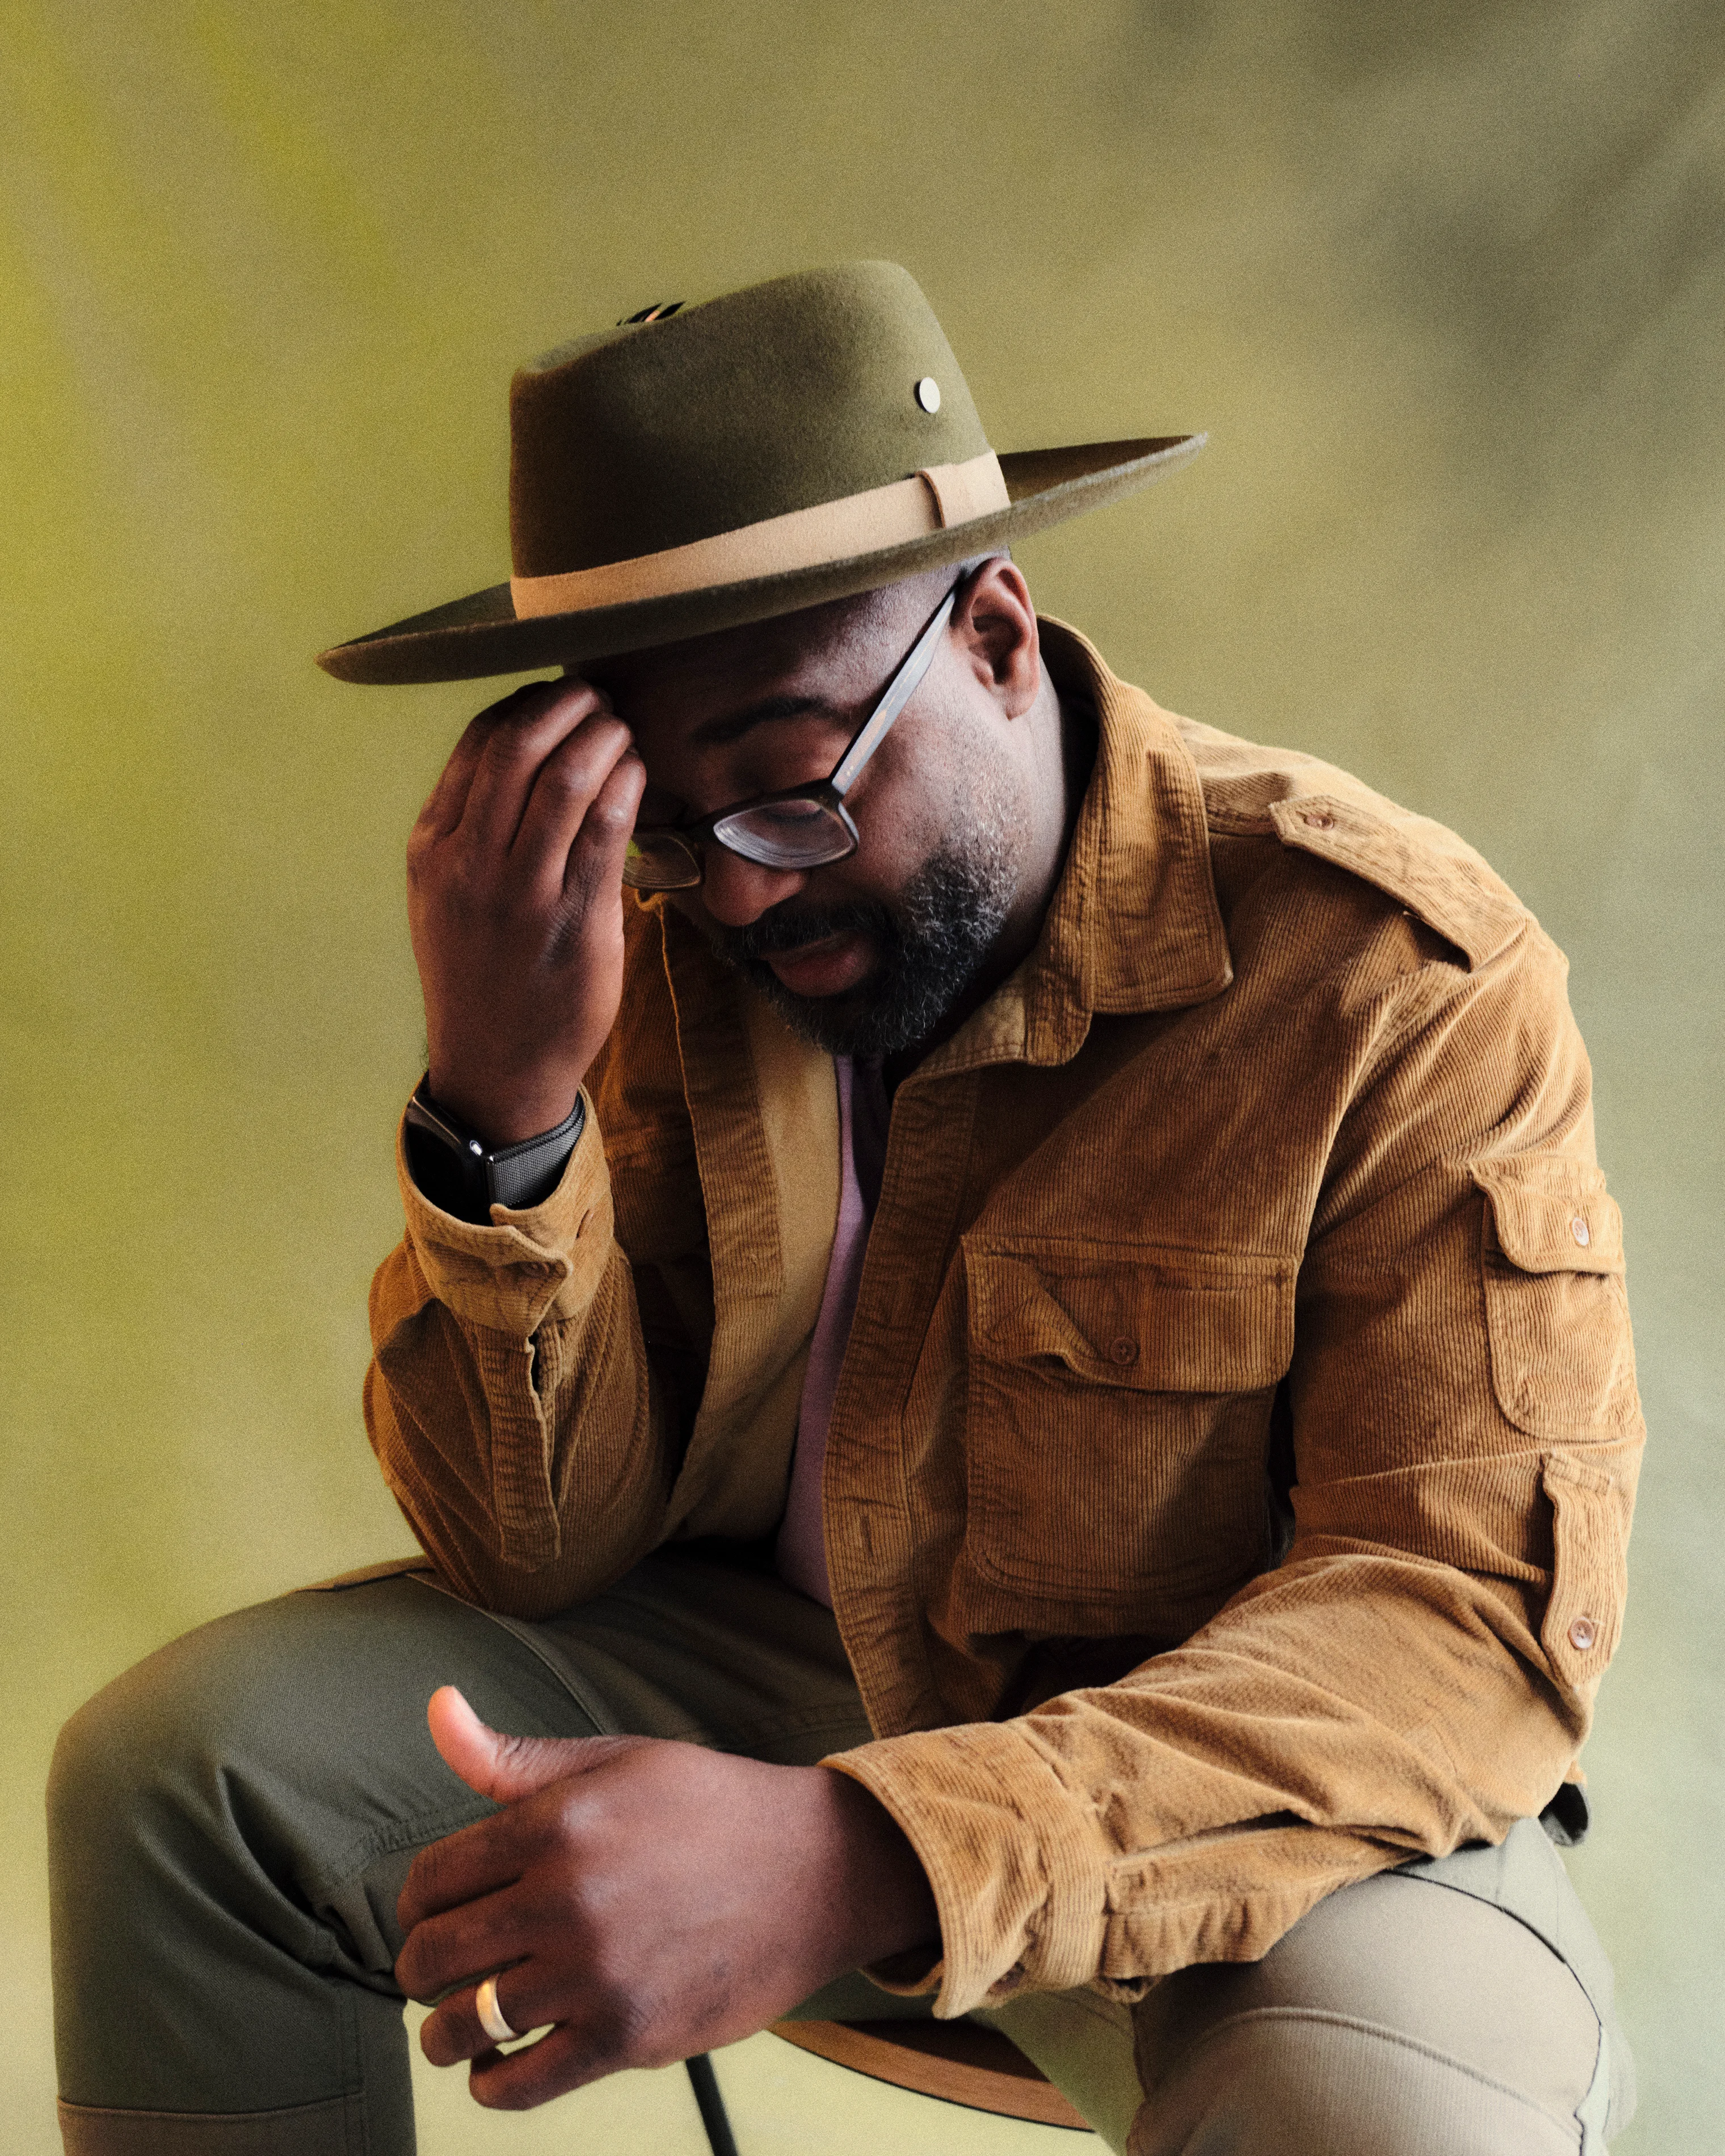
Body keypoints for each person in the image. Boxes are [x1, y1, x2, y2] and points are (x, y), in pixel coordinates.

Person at [49, 263, 1642, 2156]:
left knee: (1391, 2127)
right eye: (661, 821)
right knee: (178, 1785)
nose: (734, 900)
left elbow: (1458, 1624)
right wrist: (504, 1109)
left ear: (988, 632)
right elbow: (533, 1558)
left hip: (1236, 1789)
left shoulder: (1390, 974)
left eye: (791, 790)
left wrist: (866, 1850)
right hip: (781, 1684)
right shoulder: (646, 941)